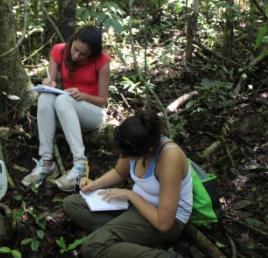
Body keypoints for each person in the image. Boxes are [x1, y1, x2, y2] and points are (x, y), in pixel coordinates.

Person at [63, 110, 193, 258]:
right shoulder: (132, 140)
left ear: (148, 150)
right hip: (134, 207)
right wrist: (94, 185)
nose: (123, 157)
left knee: (93, 246)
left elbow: (164, 224)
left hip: (163, 218)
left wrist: (130, 195)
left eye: (128, 155)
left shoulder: (169, 158)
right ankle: (122, 239)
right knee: (72, 204)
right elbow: (119, 172)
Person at [21, 25, 111, 192]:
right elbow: (50, 84)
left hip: (92, 113)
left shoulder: (102, 60)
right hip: (66, 111)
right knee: (47, 96)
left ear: (92, 53)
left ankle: (80, 166)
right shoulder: (59, 51)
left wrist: (83, 96)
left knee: (63, 99)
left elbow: (103, 101)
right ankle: (46, 163)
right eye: (75, 49)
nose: (76, 56)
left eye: (83, 54)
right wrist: (47, 83)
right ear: (72, 41)